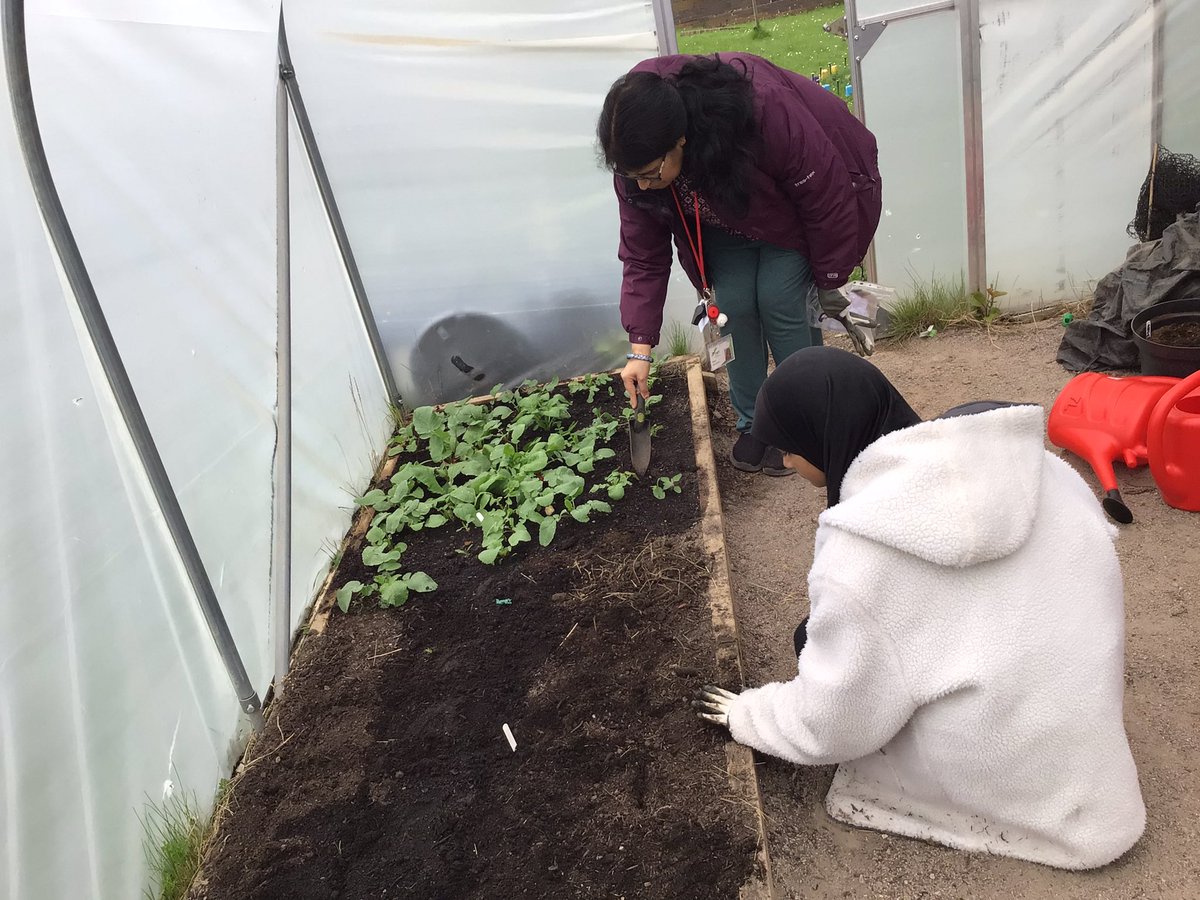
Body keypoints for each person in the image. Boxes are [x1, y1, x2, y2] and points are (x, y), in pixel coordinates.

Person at [694, 347, 1146, 870]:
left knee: (815, 644)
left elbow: (836, 720)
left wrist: (749, 715)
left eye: (789, 448)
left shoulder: (867, 547)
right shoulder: (1037, 471)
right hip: (1081, 725)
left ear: (823, 437)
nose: (787, 462)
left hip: (1015, 768)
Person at [597, 52, 881, 475]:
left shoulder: (761, 109)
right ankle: (756, 424)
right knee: (729, 308)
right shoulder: (636, 149)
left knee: (781, 302)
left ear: (681, 139)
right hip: (720, 225)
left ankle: (805, 425)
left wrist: (831, 278)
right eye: (632, 175)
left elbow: (826, 193)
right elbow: (642, 252)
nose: (642, 185)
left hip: (788, 216)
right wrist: (640, 349)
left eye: (651, 173)